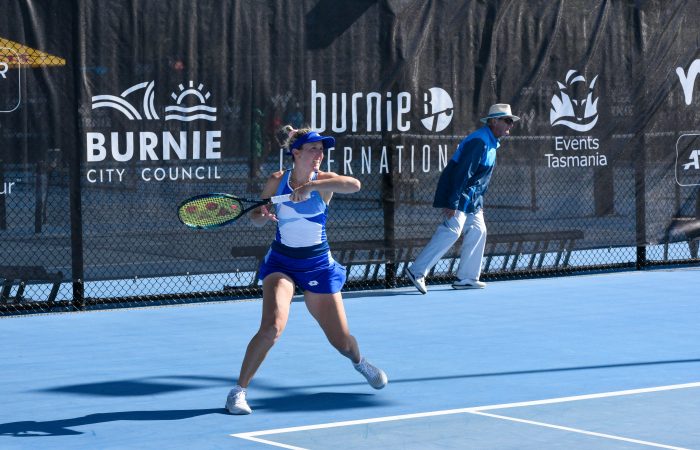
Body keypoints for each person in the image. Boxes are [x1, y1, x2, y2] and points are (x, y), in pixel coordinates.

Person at [225, 125, 388, 415]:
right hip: (282, 264)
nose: (319, 155)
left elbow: (355, 185)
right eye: (313, 149)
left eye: (321, 150)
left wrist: (311, 187)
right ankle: (238, 392)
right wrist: (261, 214)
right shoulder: (276, 181)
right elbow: (256, 220)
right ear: (296, 153)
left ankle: (360, 361)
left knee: (342, 342)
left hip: (318, 266)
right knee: (272, 327)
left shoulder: (325, 181)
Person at [405, 104, 519, 294]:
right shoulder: (480, 142)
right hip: (459, 193)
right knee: (452, 231)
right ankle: (416, 271)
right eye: (507, 120)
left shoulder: (491, 143)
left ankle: (466, 278)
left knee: (478, 230)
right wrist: (452, 201)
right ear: (493, 121)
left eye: (511, 121)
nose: (510, 125)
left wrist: (479, 203)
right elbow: (461, 173)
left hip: (473, 199)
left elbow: (480, 179)